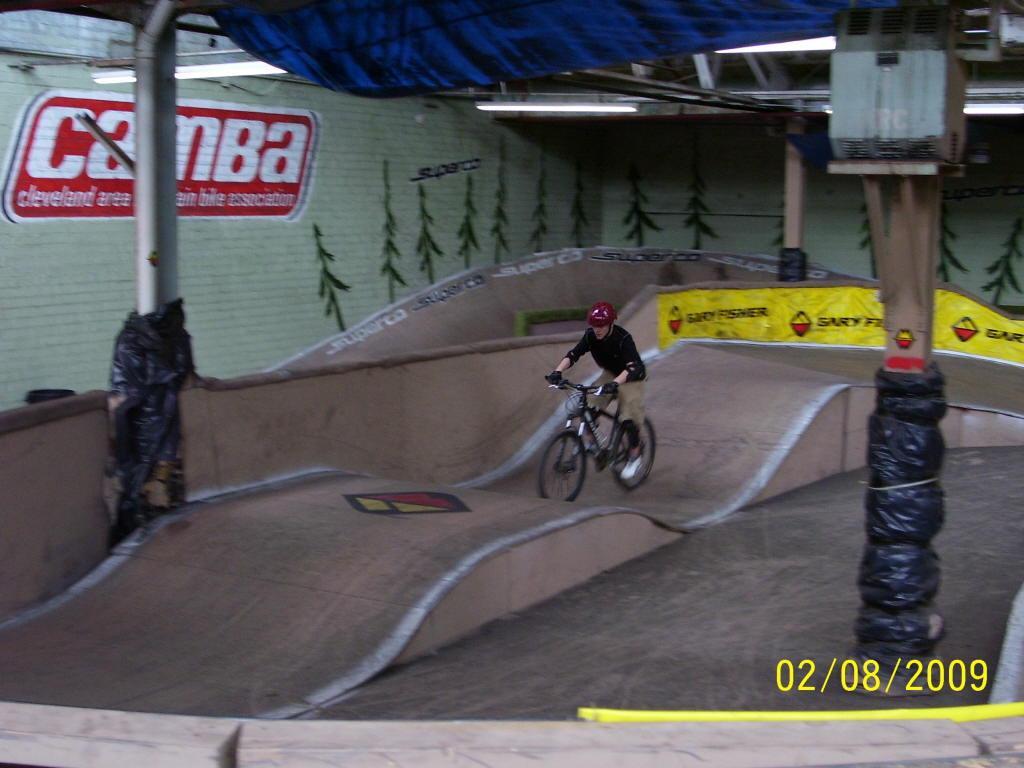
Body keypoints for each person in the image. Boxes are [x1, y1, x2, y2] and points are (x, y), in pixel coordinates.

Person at [545, 301, 647, 481]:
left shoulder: (623, 338)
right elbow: (573, 355)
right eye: (594, 325)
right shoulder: (590, 336)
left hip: (631, 377)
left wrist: (615, 383)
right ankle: (595, 446)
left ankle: (635, 455)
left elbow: (633, 367)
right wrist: (557, 371)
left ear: (611, 324)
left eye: (601, 325)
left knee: (628, 418)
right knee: (588, 408)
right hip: (610, 374)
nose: (597, 329)